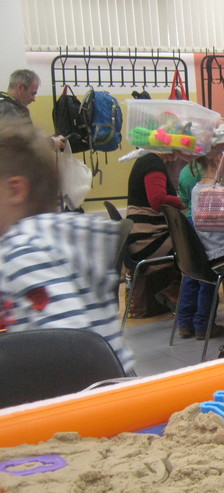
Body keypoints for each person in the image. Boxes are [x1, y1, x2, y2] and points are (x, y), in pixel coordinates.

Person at [0, 120, 133, 371]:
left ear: (15, 191)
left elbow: (68, 348)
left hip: (90, 390)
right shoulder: (48, 241)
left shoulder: (24, 252)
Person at [176, 145, 224, 342]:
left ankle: (186, 322)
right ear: (220, 159)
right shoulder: (220, 191)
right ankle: (207, 324)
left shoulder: (196, 190)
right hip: (220, 254)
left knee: (198, 280)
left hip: (202, 252)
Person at [125, 151, 184, 319]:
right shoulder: (153, 163)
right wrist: (187, 201)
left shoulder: (147, 160)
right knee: (195, 245)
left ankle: (179, 293)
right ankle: (176, 292)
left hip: (142, 236)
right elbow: (157, 200)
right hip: (148, 240)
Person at [0, 69, 66, 150]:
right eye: (33, 93)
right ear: (21, 87)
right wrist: (52, 142)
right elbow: (25, 143)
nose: (33, 99)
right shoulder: (7, 108)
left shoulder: (6, 104)